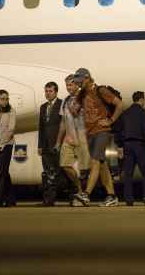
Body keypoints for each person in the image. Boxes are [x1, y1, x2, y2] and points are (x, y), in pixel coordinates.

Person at [73, 68, 123, 207]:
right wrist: (76, 96)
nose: (78, 84)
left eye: (80, 81)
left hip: (102, 131)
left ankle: (86, 194)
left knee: (95, 161)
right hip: (90, 133)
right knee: (102, 165)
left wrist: (111, 120)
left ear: (87, 78)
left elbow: (119, 104)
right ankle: (112, 196)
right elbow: (74, 112)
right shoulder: (82, 94)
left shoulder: (101, 91)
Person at [117, 91, 145, 206]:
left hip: (127, 145)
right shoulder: (144, 113)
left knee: (128, 173)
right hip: (140, 145)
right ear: (142, 100)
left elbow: (119, 131)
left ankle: (129, 199)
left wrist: (119, 146)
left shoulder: (125, 113)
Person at [56, 75, 91, 205]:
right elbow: (63, 123)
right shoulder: (65, 101)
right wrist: (58, 141)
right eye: (67, 85)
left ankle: (84, 195)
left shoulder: (85, 98)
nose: (68, 88)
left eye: (70, 85)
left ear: (77, 84)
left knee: (84, 170)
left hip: (82, 138)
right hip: (69, 139)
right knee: (64, 165)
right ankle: (80, 189)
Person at [38, 82, 63, 206]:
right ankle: (48, 199)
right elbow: (41, 127)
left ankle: (72, 195)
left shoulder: (61, 104)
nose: (48, 93)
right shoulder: (43, 107)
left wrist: (61, 142)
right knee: (47, 173)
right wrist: (40, 145)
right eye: (46, 91)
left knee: (60, 171)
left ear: (56, 92)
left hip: (58, 143)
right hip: (46, 145)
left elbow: (64, 124)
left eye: (50, 91)